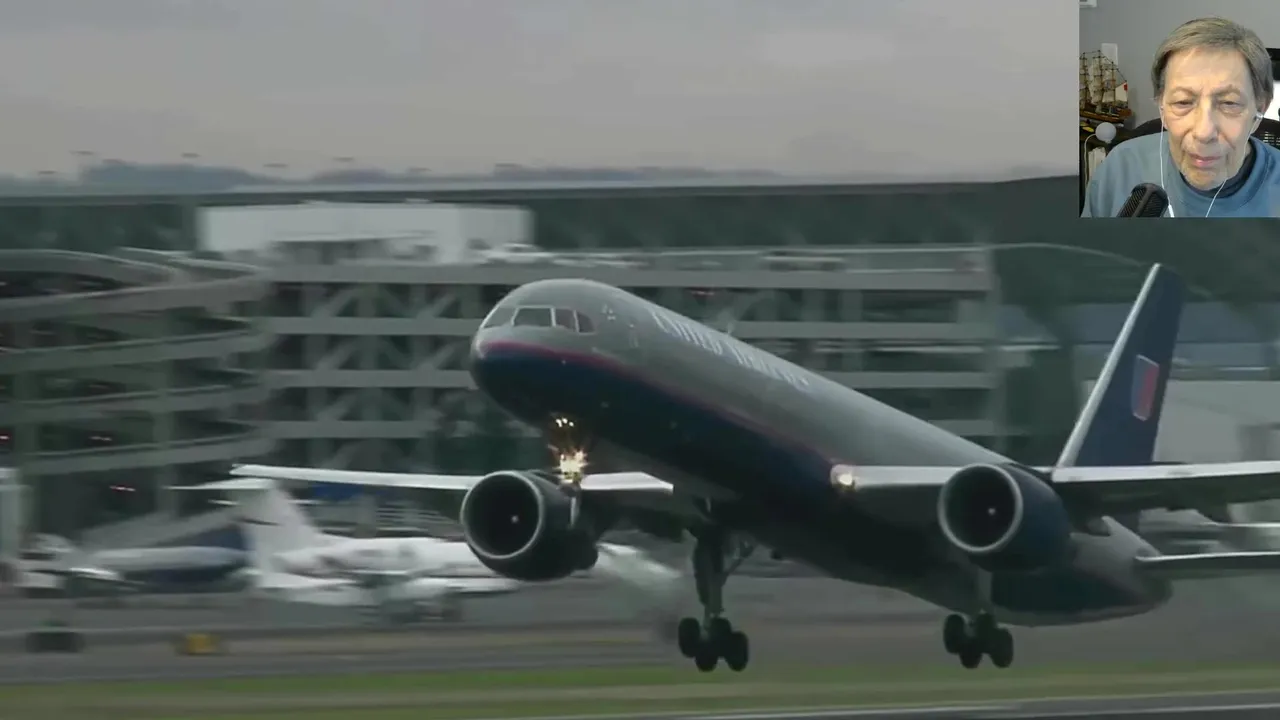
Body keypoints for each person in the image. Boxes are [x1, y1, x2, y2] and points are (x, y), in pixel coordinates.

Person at [1081, 17, 1280, 217]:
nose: (1204, 133)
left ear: (1259, 111)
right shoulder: (1121, 168)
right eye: (1183, 102)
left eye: (1229, 103)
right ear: (1162, 109)